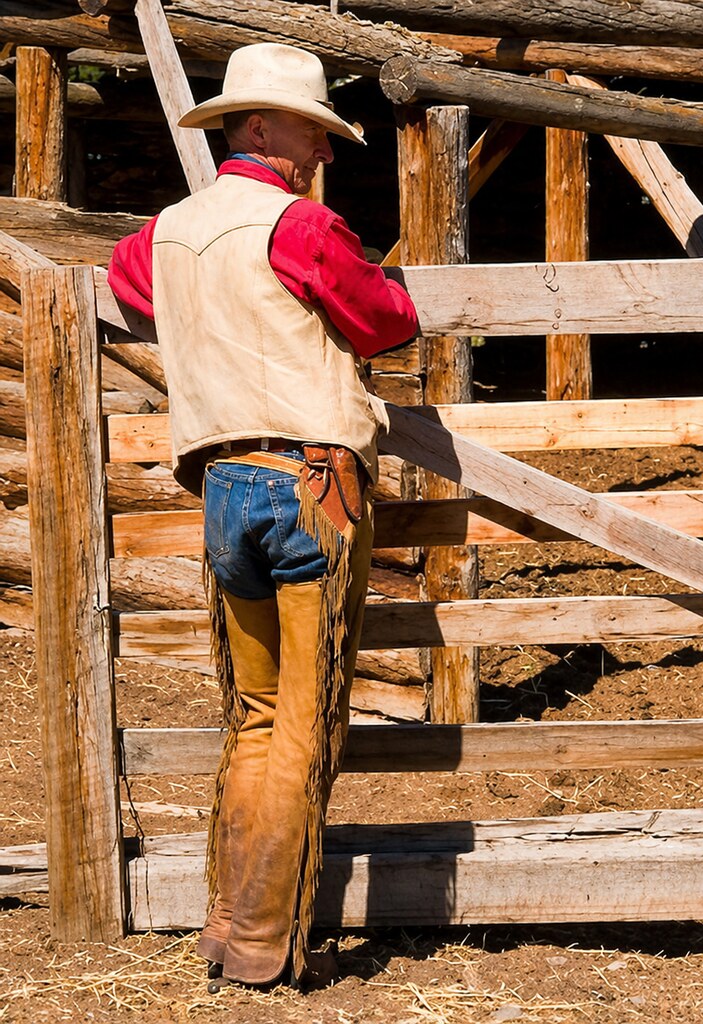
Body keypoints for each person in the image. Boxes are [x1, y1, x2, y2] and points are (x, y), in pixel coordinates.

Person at [109, 42, 418, 990]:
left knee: (249, 712)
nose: (321, 153)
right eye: (310, 134)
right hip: (307, 480)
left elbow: (133, 293)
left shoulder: (156, 235)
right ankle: (268, 942)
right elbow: (388, 321)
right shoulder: (300, 228)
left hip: (221, 484)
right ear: (256, 127)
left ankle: (227, 925)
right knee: (304, 720)